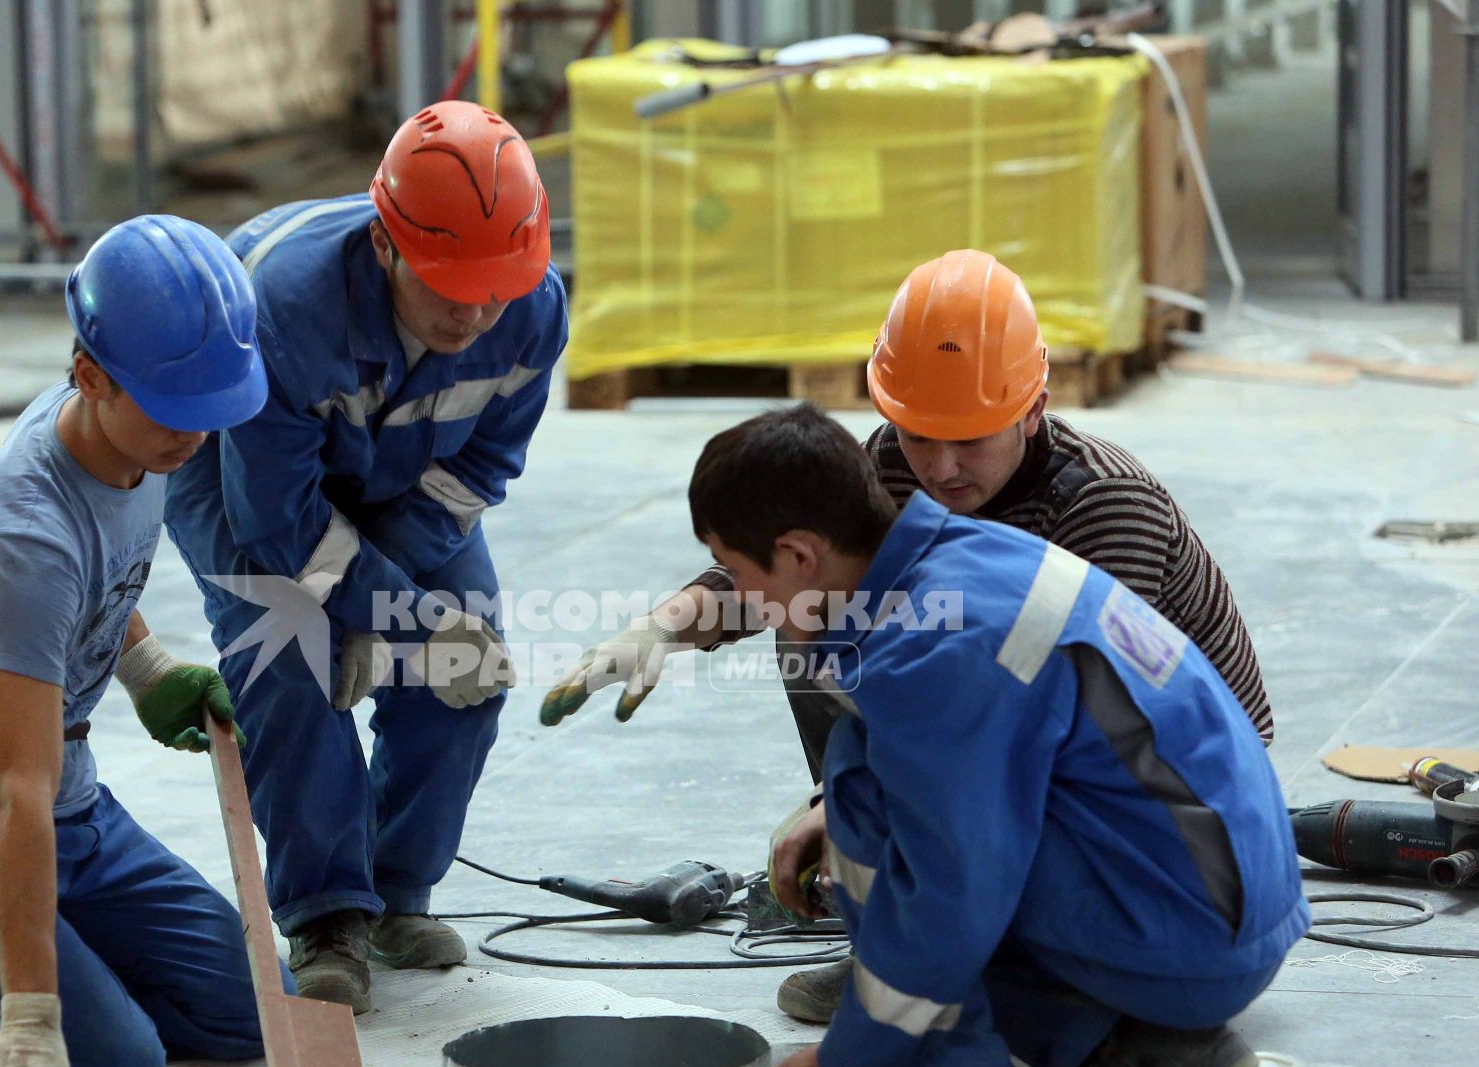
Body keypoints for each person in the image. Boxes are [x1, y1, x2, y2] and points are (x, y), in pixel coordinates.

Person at [540, 249, 1273, 1024]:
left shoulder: (1101, 504)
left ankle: (975, 981)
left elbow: (1050, 723)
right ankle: (911, 939)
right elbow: (801, 570)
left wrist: (873, 808)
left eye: (973, 439)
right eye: (921, 435)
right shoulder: (897, 462)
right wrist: (667, 626)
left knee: (927, 773)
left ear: (1034, 408)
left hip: (1179, 797)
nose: (943, 468)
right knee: (823, 631)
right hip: (1041, 731)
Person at [685, 405, 1306, 1067]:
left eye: (739, 573)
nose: (744, 594)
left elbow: (948, 900)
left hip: (1198, 931)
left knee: (871, 802)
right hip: (1220, 894)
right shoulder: (957, 555)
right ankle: (1138, 1049)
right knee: (878, 768)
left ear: (800, 554)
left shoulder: (935, 650)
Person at [165, 101, 568, 1015]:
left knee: (467, 664)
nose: (474, 312)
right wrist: (375, 615)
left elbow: (478, 470)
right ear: (387, 246)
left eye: (494, 287)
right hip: (243, 482)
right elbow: (274, 520)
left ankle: (394, 896)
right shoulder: (283, 307)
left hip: (410, 490)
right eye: (448, 285)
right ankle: (326, 918)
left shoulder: (530, 308)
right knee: (285, 659)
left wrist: (396, 617)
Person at [0, 215, 284, 1067]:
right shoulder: (21, 534)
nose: (195, 436)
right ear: (89, 376)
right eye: (173, 411)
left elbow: (100, 585)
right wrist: (33, 1026)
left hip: (75, 808)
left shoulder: (139, 437)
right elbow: (15, 794)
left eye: (209, 409)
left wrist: (144, 663)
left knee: (258, 1010)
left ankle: (36, 950)